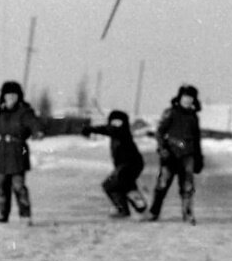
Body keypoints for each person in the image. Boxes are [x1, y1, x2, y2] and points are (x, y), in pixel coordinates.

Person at [0, 81, 43, 225]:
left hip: (19, 151)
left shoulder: (24, 112)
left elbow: (34, 123)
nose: (11, 98)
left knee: (18, 186)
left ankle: (25, 215)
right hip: (2, 153)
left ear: (19, 97)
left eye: (14, 95)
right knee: (2, 185)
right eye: (8, 95)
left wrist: (38, 131)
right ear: (3, 97)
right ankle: (3, 214)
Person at [146, 84, 203, 224]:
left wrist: (199, 157)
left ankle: (187, 213)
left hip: (188, 156)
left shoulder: (193, 117)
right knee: (163, 183)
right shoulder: (170, 112)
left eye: (190, 98)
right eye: (185, 97)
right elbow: (160, 132)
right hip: (170, 154)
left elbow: (196, 139)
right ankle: (154, 212)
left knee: (187, 186)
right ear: (179, 98)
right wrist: (162, 149)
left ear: (194, 100)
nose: (187, 100)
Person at [82, 109, 147, 218]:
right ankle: (139, 205)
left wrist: (90, 129)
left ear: (124, 123)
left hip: (128, 165)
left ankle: (124, 208)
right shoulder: (118, 134)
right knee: (124, 185)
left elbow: (109, 130)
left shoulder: (122, 132)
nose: (116, 125)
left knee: (109, 185)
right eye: (114, 122)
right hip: (130, 165)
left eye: (119, 122)